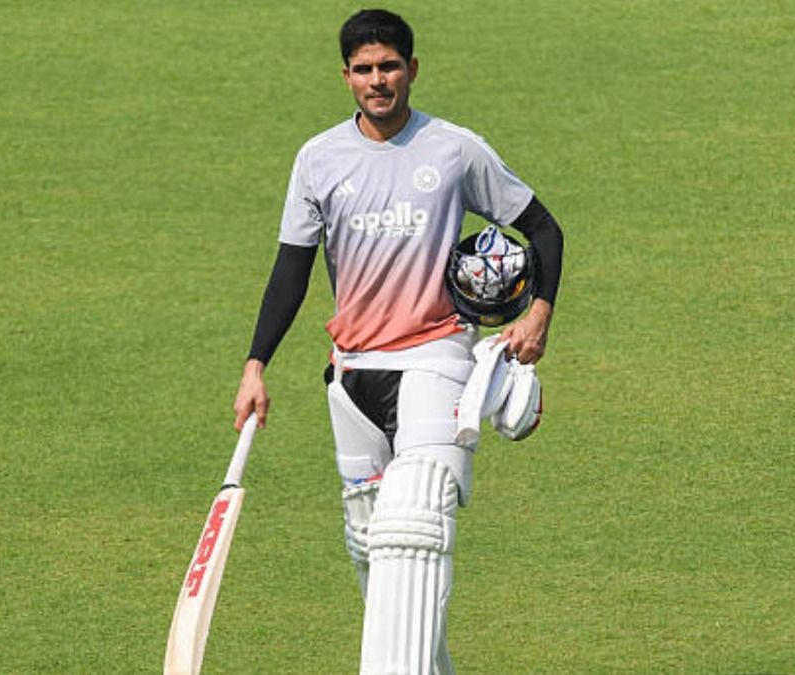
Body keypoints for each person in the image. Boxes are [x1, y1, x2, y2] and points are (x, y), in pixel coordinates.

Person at [232, 9, 564, 674]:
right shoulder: (318, 159)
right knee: (372, 547)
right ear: (346, 76)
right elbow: (291, 269)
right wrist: (255, 364)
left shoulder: (453, 149)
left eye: (388, 67)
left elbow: (545, 230)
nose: (377, 80)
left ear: (412, 70)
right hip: (352, 372)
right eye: (363, 69)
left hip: (436, 359)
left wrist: (538, 315)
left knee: (412, 527)